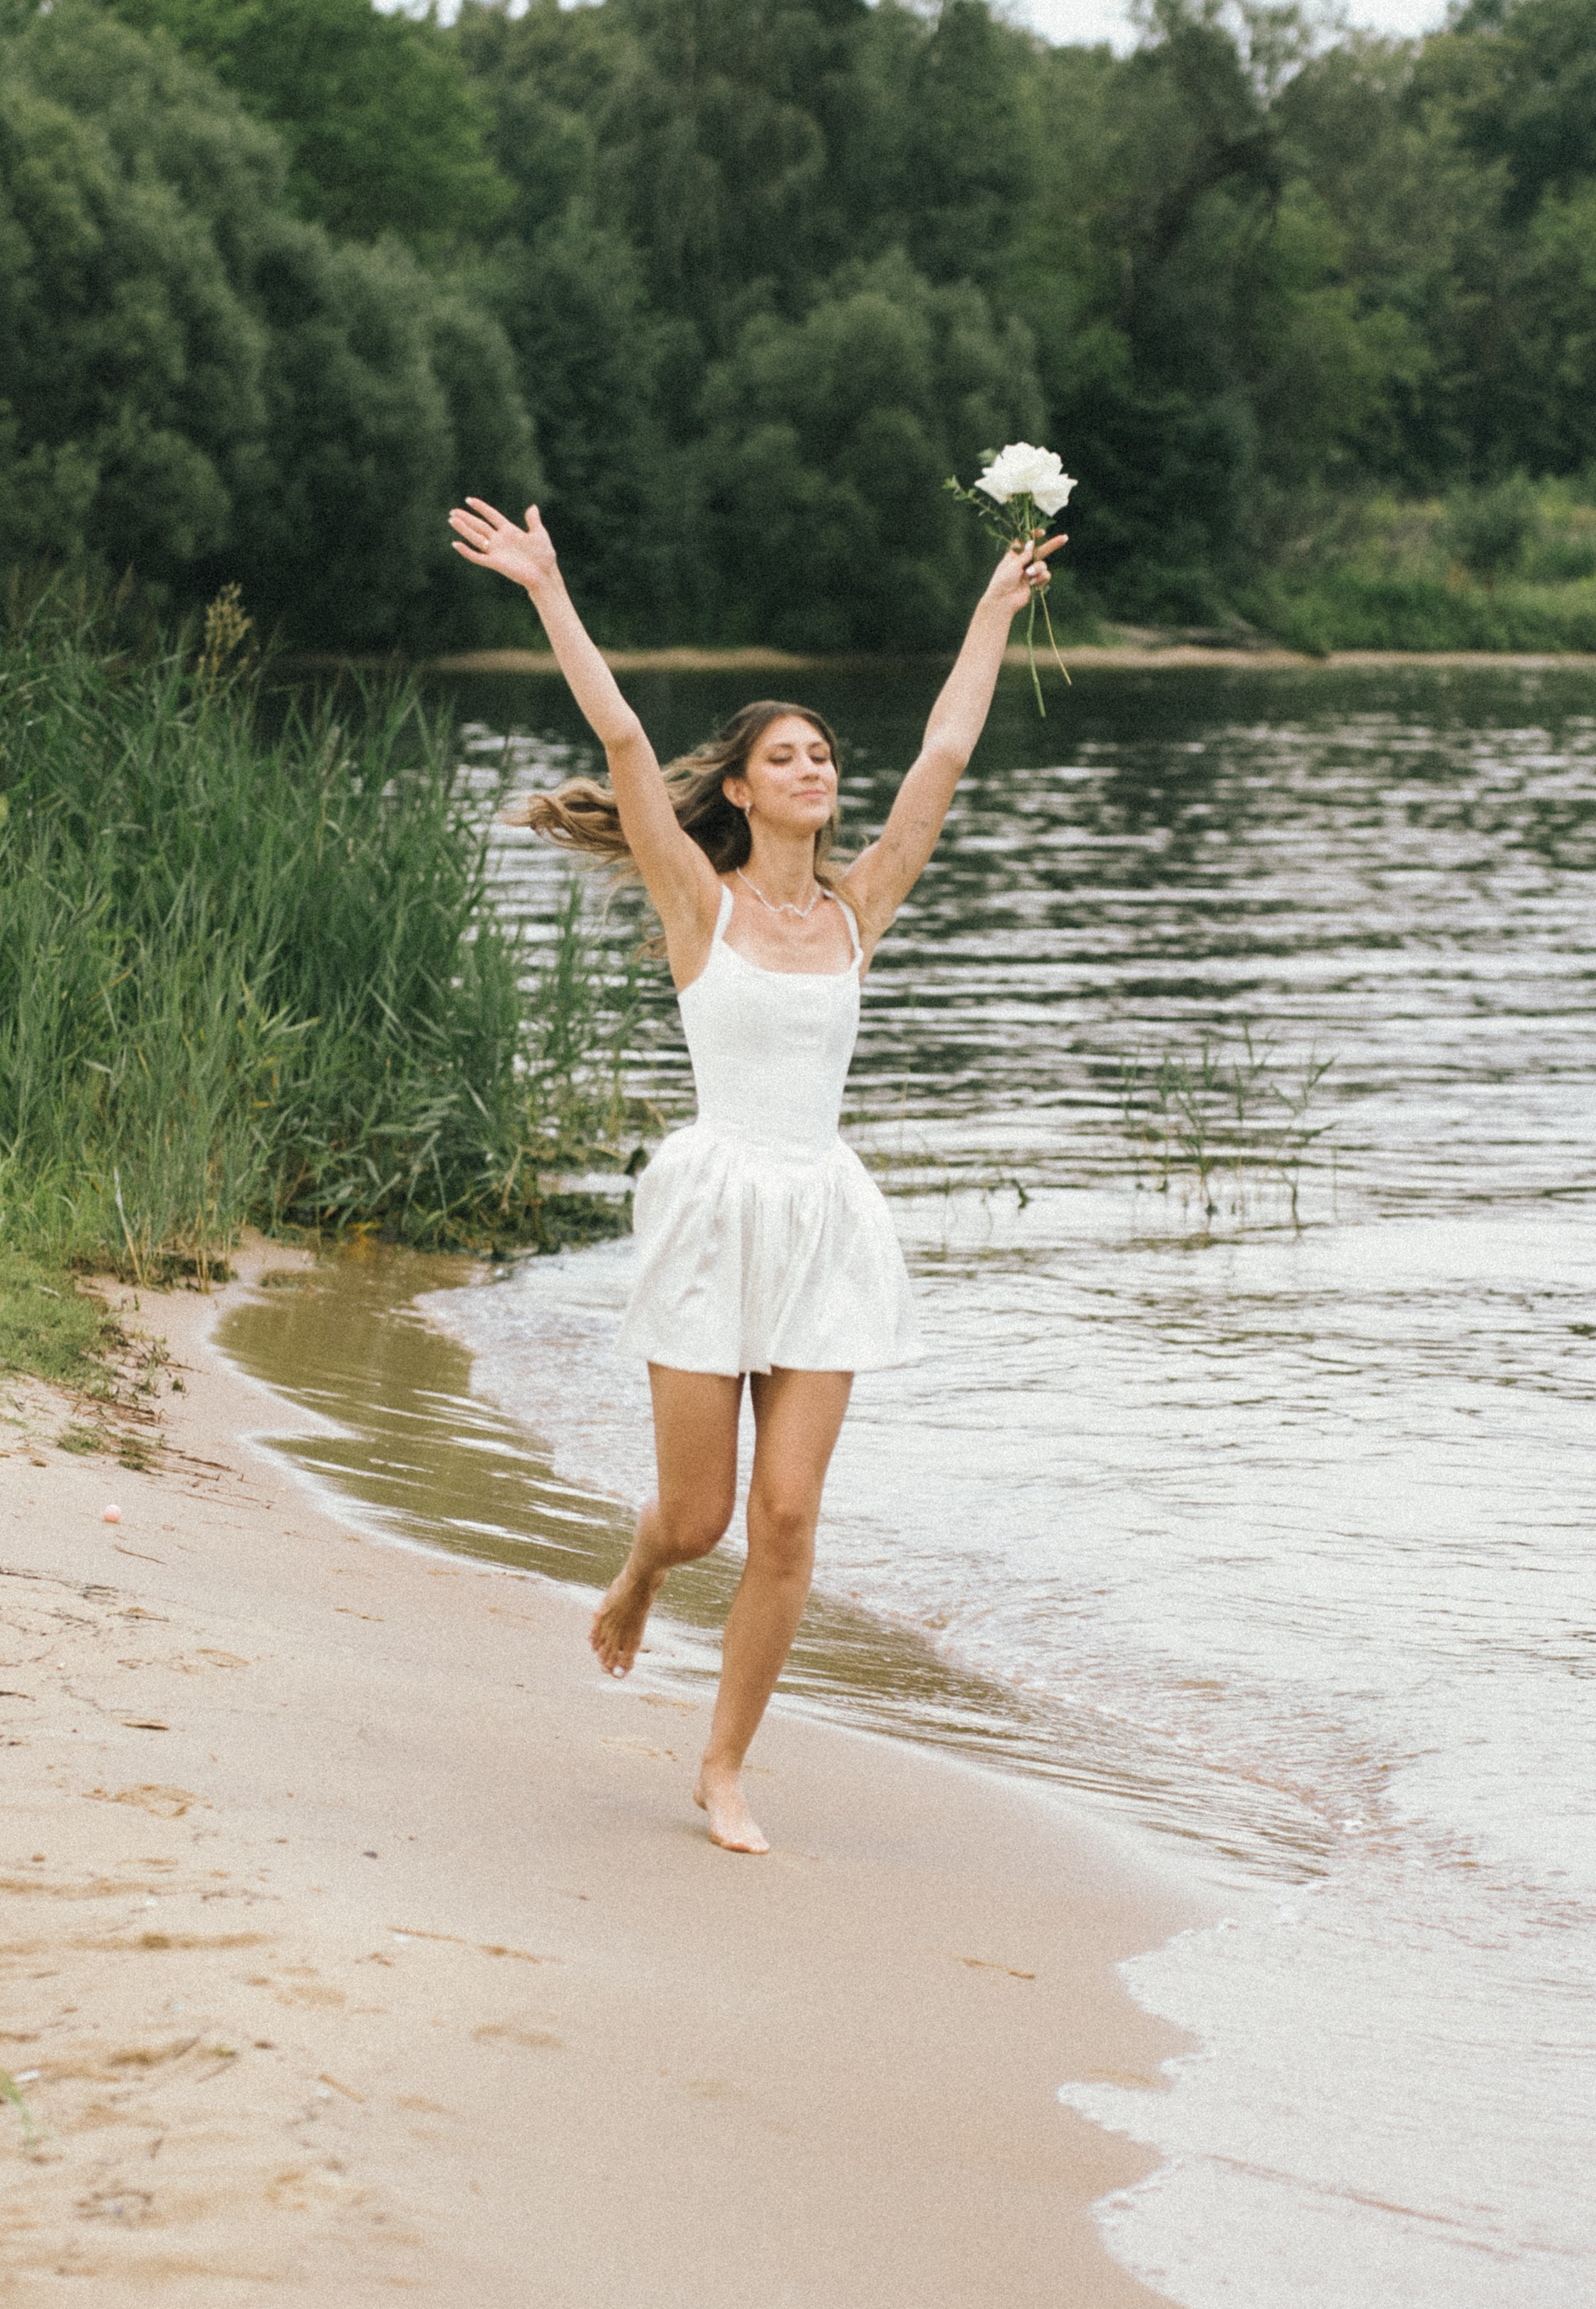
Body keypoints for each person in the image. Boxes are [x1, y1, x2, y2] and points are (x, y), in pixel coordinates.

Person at [447, 496, 1065, 1852]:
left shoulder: (855, 911)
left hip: (823, 1219)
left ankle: (723, 1768)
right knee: (700, 1513)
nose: (816, 767)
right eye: (787, 755)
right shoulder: (700, 905)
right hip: (716, 1207)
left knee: (786, 1520)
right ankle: (635, 1571)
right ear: (737, 786)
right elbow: (618, 740)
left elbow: (944, 758)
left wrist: (992, 610)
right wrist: (548, 587)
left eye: (823, 753)